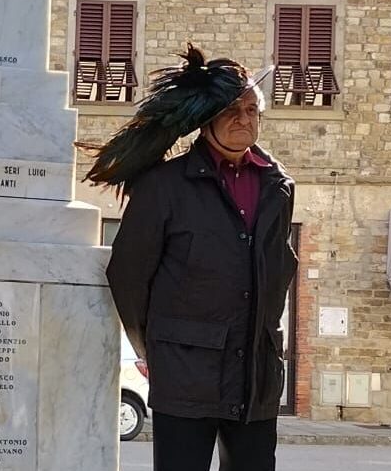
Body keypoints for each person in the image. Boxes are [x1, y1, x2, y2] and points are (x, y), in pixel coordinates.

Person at [85, 45, 295, 471]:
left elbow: (278, 272)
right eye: (232, 110)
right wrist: (154, 347)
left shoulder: (279, 186)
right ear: (205, 120)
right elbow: (128, 273)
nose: (244, 119)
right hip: (184, 373)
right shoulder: (164, 187)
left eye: (253, 110)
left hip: (255, 375)